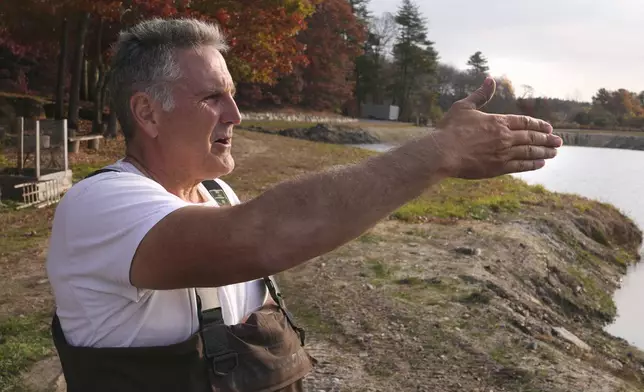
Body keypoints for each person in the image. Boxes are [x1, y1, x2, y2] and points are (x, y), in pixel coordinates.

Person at [45, 17, 562, 392]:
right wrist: (440, 152)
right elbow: (267, 234)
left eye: (233, 94)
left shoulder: (218, 195)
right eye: (212, 98)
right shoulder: (99, 206)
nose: (237, 114)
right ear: (146, 112)